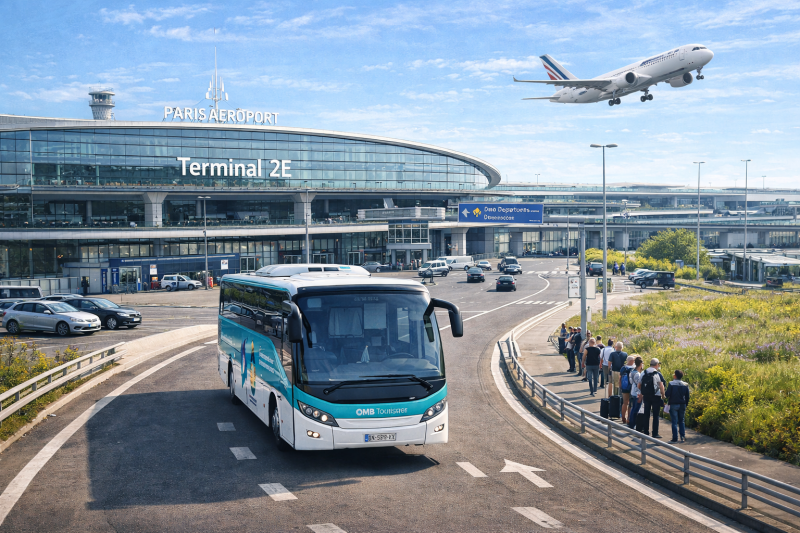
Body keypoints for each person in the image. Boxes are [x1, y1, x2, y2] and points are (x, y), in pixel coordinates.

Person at [640, 358, 667, 437]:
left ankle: (646, 432)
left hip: (646, 396)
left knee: (646, 414)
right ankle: (655, 433)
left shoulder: (643, 372)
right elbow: (661, 386)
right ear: (656, 365)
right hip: (656, 396)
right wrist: (663, 395)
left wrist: (642, 393)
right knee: (655, 415)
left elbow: (639, 385)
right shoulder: (657, 374)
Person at [665, 369, 691, 443]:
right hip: (682, 404)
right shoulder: (685, 384)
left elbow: (667, 394)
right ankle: (682, 437)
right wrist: (686, 404)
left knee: (674, 421)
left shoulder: (671, 383)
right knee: (681, 421)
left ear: (675, 376)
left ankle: (675, 438)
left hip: (673, 404)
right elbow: (687, 396)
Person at [627, 356, 644, 429]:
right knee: (636, 409)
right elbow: (639, 385)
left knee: (633, 408)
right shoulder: (638, 374)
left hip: (632, 391)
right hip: (637, 393)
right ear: (640, 364)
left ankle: (631, 423)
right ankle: (633, 424)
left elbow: (631, 382)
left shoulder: (631, 372)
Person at [619, 355, 635, 424]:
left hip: (624, 387)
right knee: (630, 404)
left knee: (624, 402)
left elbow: (620, 378)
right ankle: (629, 418)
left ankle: (623, 417)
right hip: (632, 388)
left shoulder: (623, 368)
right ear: (633, 361)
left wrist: (620, 385)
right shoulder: (634, 368)